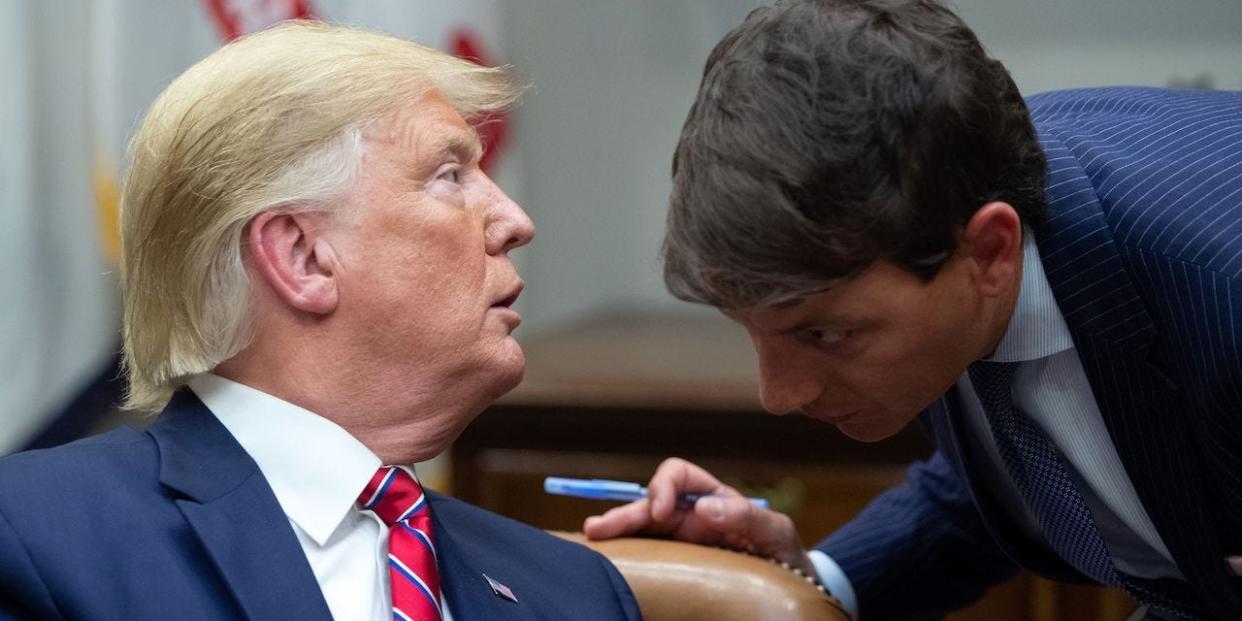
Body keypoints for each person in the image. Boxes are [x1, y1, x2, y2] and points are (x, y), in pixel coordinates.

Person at [584, 1, 1242, 619]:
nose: (779, 394)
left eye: (827, 332)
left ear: (989, 250)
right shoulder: (943, 212)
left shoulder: (1220, 285)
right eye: (752, 331)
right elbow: (1023, 469)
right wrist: (798, 580)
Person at [0, 21, 641, 621]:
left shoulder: (578, 592)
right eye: (450, 176)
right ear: (303, 257)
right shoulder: (32, 534)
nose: (514, 221)